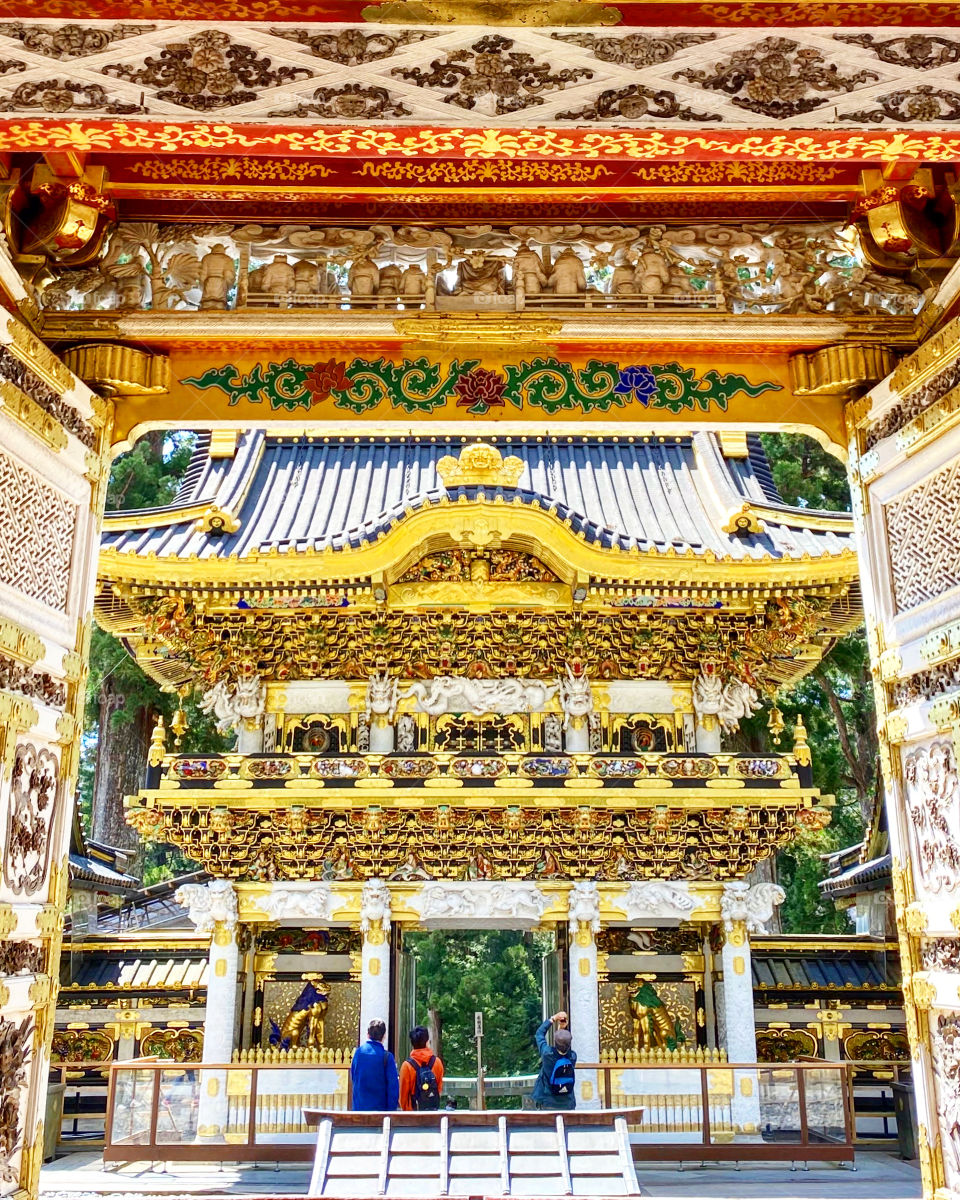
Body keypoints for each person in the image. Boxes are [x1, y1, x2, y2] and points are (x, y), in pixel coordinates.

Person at [350, 1019, 399, 1111]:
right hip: (380, 1113)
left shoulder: (358, 1053)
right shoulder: (387, 1057)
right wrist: (391, 1112)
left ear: (368, 1034)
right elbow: (393, 1088)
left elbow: (353, 1077)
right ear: (384, 1036)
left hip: (359, 1110)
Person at [532, 1010, 577, 1110]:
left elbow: (539, 1034)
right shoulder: (573, 1057)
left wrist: (553, 1018)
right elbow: (565, 1047)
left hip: (548, 1102)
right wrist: (562, 1029)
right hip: (567, 1104)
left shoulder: (547, 1054)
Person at [399, 1025, 444, 1111]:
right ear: (427, 1042)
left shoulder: (407, 1066)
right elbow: (439, 1089)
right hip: (432, 1113)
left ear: (412, 1043)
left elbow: (403, 1097)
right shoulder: (437, 1062)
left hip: (413, 1115)